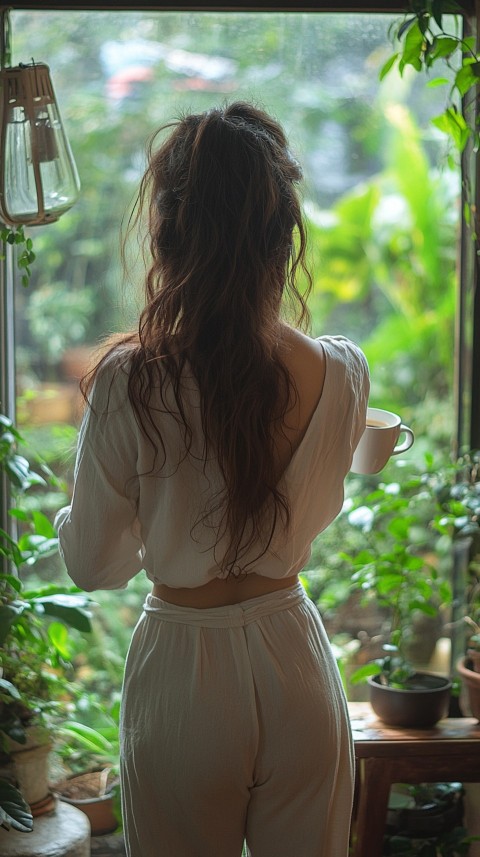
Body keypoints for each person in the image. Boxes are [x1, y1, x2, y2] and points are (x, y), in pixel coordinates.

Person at [55, 102, 369, 857]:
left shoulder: (132, 380)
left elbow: (94, 565)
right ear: (282, 232)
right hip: (295, 656)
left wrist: (120, 515)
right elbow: (321, 497)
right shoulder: (342, 370)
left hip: (183, 671)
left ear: (168, 232)